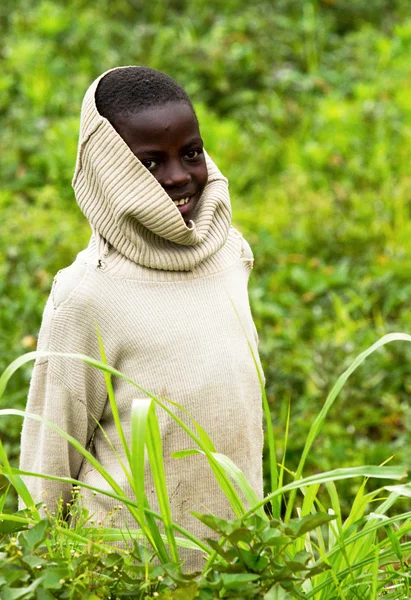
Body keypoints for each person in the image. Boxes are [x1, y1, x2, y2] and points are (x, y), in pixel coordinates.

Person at [19, 66, 264, 570]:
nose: (178, 177)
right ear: (110, 171)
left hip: (235, 562)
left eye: (190, 153)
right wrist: (38, 567)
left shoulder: (230, 254)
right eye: (149, 162)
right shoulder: (87, 295)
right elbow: (49, 458)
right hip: (127, 570)